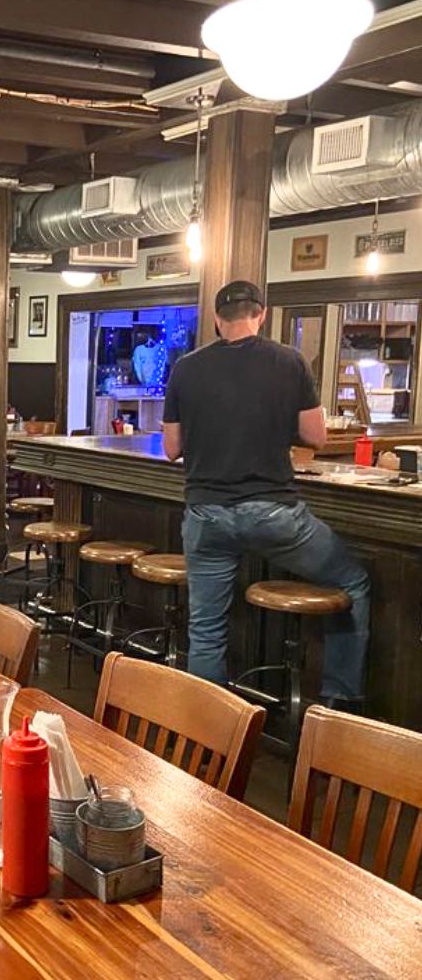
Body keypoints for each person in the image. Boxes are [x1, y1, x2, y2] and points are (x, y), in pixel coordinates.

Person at [162, 280, 369, 710]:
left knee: (206, 630)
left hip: (206, 515)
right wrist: (274, 424)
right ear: (262, 314)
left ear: (217, 320)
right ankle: (338, 705)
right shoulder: (289, 361)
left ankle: (210, 735)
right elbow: (315, 436)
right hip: (274, 515)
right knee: (353, 580)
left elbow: (171, 448)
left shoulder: (187, 367)